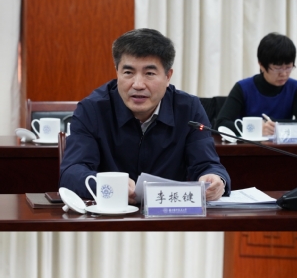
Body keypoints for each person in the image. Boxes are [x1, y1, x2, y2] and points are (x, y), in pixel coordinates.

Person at [59, 28, 230, 201]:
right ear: (117, 72)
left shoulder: (188, 109)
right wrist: (108, 185)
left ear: (168, 76)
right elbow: (72, 173)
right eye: (128, 73)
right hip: (110, 213)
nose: (138, 85)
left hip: (170, 213)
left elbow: (207, 164)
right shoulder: (92, 110)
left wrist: (215, 179)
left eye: (149, 73)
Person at [216, 33, 297, 137]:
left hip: (284, 146)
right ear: (261, 65)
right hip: (249, 146)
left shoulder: (296, 88)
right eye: (277, 68)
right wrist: (256, 129)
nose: (283, 74)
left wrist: (273, 125)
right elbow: (221, 124)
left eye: (288, 67)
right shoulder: (243, 88)